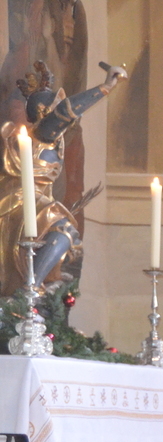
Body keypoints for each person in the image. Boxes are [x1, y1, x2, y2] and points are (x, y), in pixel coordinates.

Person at [1, 60, 126, 296]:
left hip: (33, 201)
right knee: (63, 229)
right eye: (54, 106)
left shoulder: (49, 140)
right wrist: (105, 87)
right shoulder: (41, 134)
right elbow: (64, 113)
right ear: (43, 112)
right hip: (20, 202)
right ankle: (30, 289)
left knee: (65, 233)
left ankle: (32, 287)